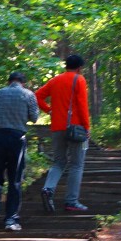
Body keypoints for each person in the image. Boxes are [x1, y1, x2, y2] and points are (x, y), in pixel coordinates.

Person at [35, 53, 93, 213]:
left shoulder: (55, 80)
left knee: (59, 162)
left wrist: (49, 110)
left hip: (57, 128)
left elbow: (37, 96)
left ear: (66, 65)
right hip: (76, 129)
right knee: (76, 164)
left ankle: (48, 189)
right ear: (80, 67)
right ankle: (71, 201)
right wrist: (87, 127)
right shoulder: (79, 79)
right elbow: (82, 105)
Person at [0, 71, 38, 231]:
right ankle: (10, 220)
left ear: (9, 81)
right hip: (17, 138)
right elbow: (34, 117)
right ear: (23, 82)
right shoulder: (28, 95)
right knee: (15, 180)